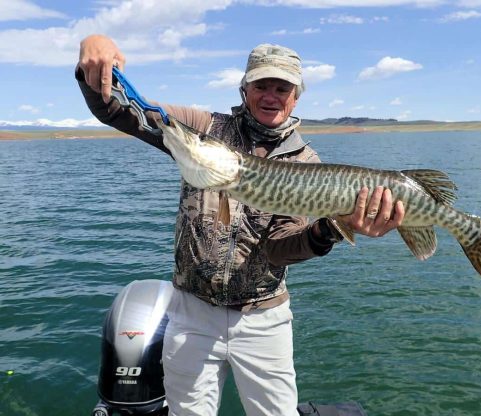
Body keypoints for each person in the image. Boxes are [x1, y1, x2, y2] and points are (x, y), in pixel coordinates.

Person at [76, 34, 405, 416]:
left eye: (282, 88)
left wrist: (331, 228)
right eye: (261, 85)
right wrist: (92, 58)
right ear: (244, 89)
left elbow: (279, 248)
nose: (271, 95)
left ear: (295, 97)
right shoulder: (205, 128)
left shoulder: (305, 161)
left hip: (263, 320)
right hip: (192, 313)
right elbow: (123, 111)